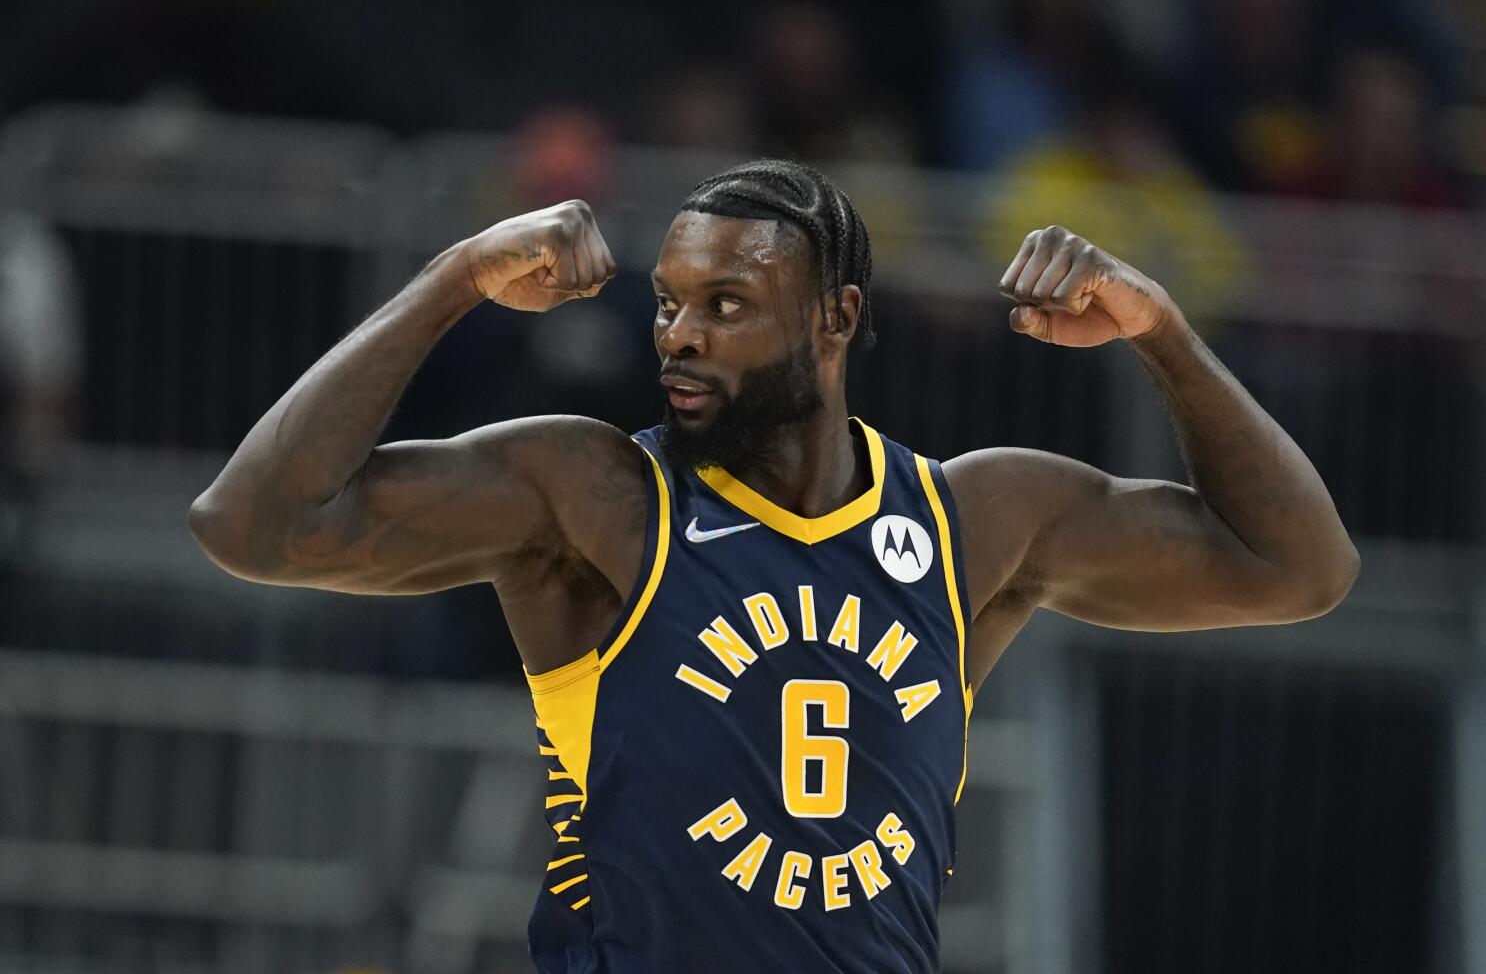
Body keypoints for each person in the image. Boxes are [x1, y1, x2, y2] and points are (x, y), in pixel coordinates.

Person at [187, 159, 1359, 972]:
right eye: (669, 304)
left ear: (833, 319)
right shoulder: (595, 499)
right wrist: (454, 278)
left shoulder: (975, 519)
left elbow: (1298, 567)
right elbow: (252, 524)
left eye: (726, 304)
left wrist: (1160, 331)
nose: (678, 335)